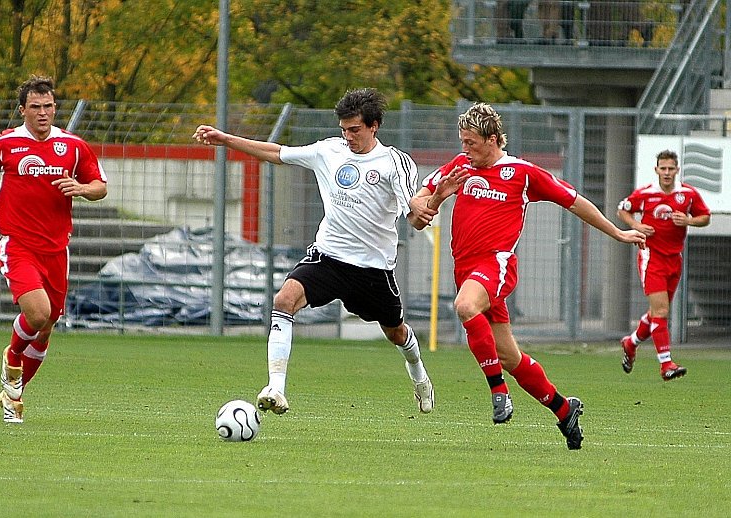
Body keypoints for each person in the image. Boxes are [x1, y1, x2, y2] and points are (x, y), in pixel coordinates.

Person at [409, 102, 646, 450]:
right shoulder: (460, 167)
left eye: (470, 142)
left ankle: (498, 393)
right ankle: (564, 409)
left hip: (496, 265)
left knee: (463, 307)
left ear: (492, 140)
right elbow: (418, 215)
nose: (464, 149)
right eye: (462, 142)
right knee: (509, 357)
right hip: (468, 271)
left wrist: (617, 233)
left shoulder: (522, 173)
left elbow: (575, 201)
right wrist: (438, 197)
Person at [193, 88, 435, 416]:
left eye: (355, 130)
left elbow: (412, 208)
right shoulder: (328, 151)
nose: (348, 137)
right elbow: (277, 153)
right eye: (344, 129)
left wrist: (422, 211)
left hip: (372, 269)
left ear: (374, 126)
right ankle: (275, 388)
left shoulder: (394, 163)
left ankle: (419, 374)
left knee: (396, 332)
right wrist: (226, 139)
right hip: (328, 257)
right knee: (283, 301)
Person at [0, 75, 108, 423]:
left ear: (55, 108)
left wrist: (82, 189)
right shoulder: (6, 144)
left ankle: (13, 397)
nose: (43, 113)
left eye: (48, 106)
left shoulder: (73, 146)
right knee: (39, 313)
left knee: (47, 325)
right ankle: (12, 358)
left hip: (58, 248)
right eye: (35, 107)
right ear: (23, 109)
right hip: (18, 244)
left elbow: (100, 186)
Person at [617, 150, 710, 381]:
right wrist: (636, 226)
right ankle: (666, 364)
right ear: (656, 169)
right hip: (651, 257)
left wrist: (688, 220)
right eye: (663, 168)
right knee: (661, 312)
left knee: (656, 313)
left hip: (674, 258)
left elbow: (705, 217)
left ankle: (631, 342)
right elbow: (622, 210)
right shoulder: (646, 194)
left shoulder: (687, 194)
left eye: (671, 168)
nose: (667, 173)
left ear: (677, 170)